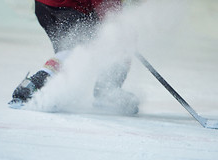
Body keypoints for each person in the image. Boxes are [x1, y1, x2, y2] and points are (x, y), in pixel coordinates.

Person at [9, 0, 139, 115]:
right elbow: (109, 11)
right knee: (81, 48)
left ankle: (43, 87)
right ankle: (107, 91)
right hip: (69, 7)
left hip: (44, 7)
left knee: (71, 51)